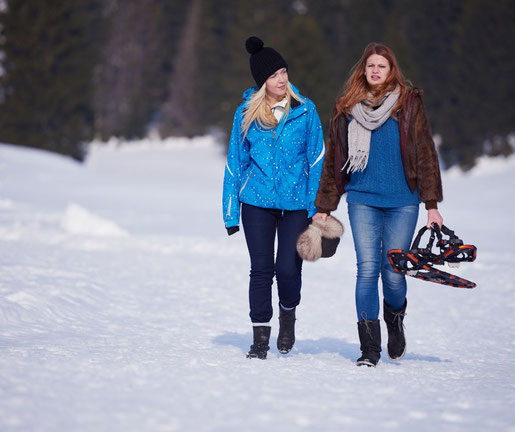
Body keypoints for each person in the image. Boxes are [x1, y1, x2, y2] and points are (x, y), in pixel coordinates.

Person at [313, 42, 443, 367]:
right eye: (370, 65)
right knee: (367, 271)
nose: (375, 70)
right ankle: (369, 348)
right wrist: (324, 206)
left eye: (381, 66)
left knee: (394, 272)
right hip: (363, 200)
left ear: (391, 70)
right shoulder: (346, 107)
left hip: (403, 201)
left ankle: (395, 319)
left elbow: (425, 152)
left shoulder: (409, 104)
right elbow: (334, 160)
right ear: (363, 69)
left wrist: (432, 205)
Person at [222, 36, 325, 359]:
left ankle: (288, 315)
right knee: (261, 269)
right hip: (256, 202)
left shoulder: (306, 111)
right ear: (261, 82)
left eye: (284, 72)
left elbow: (317, 160)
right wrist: (230, 213)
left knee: (288, 269)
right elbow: (234, 163)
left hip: (296, 205)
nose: (281, 79)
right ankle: (260, 339)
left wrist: (317, 208)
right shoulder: (245, 114)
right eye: (273, 75)